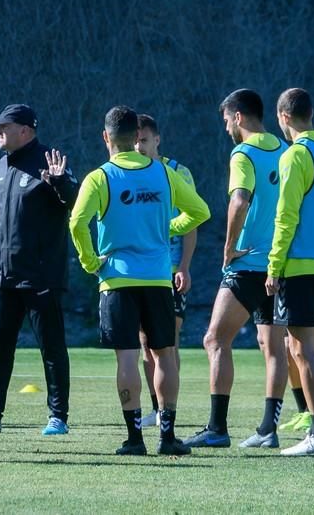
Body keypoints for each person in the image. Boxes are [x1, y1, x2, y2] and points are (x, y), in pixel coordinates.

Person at [69, 105, 210, 456]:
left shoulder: (100, 177)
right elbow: (200, 211)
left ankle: (134, 438)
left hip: (117, 280)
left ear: (105, 137)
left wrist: (90, 262)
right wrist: (167, 228)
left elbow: (76, 223)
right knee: (164, 355)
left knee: (128, 359)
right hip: (158, 280)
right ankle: (168, 436)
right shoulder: (163, 173)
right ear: (136, 138)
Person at [0, 104, 78, 435]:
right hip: (4, 274)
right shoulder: (1, 165)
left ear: (25, 130)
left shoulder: (49, 162)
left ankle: (58, 417)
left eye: (4, 126)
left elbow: (75, 201)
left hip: (41, 275)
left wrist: (61, 184)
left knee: (52, 348)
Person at [183, 89, 289, 449]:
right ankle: (267, 429)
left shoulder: (243, 152)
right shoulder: (285, 150)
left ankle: (217, 428)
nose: (226, 126)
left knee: (215, 339)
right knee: (272, 346)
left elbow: (239, 200)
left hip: (249, 264)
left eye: (227, 119)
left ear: (239, 116)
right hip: (280, 264)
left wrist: (228, 247)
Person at [266, 88, 314, 456]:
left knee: (301, 350)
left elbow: (286, 215)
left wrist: (274, 265)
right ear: (311, 114)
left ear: (283, 117)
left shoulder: (295, 155)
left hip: (299, 265)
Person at [134, 114, 197, 428]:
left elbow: (192, 222)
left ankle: (169, 408)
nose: (139, 146)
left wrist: (184, 266)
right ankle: (156, 407)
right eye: (135, 141)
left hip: (170, 269)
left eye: (144, 140)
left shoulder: (177, 172)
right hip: (141, 269)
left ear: (157, 140)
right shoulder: (132, 172)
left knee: (168, 340)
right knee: (145, 341)